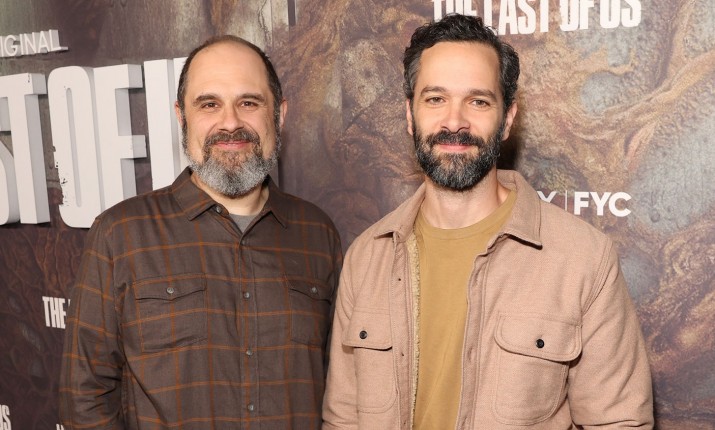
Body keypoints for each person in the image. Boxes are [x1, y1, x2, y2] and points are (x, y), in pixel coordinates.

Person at [322, 14, 653, 429]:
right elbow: (343, 420)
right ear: (409, 114)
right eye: (435, 99)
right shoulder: (366, 258)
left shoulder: (583, 259)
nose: (454, 121)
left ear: (508, 118)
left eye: (478, 101)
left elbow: (620, 422)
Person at [59, 35, 342, 429]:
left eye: (249, 103)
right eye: (209, 104)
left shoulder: (317, 233)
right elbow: (84, 399)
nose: (231, 122)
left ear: (279, 114)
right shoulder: (120, 235)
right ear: (182, 117)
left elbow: (342, 390)